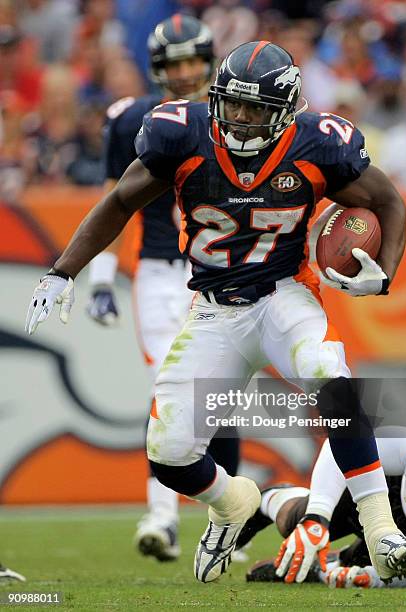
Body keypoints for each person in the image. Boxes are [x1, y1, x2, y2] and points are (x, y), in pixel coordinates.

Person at [25, 40, 406, 584]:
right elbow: (121, 200)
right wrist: (64, 269)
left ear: (284, 110)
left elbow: (388, 200)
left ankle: (380, 528)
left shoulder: (316, 144)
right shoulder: (182, 134)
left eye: (255, 108)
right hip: (213, 310)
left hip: (285, 295)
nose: (239, 117)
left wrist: (385, 273)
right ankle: (236, 501)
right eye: (232, 103)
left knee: (331, 380)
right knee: (167, 454)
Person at [86, 14, 240, 562]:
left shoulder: (238, 115)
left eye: (193, 61)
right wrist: (102, 277)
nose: (184, 73)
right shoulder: (132, 119)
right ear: (158, 68)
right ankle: (164, 516)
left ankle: (228, 521)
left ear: (209, 61)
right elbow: (114, 201)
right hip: (160, 272)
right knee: (169, 390)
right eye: (174, 64)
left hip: (221, 274)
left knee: (219, 402)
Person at [241, 423, 406, 588]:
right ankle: (271, 499)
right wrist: (317, 515)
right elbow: (346, 440)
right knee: (294, 524)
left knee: (362, 563)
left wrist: (365, 577)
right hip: (386, 491)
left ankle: (327, 565)